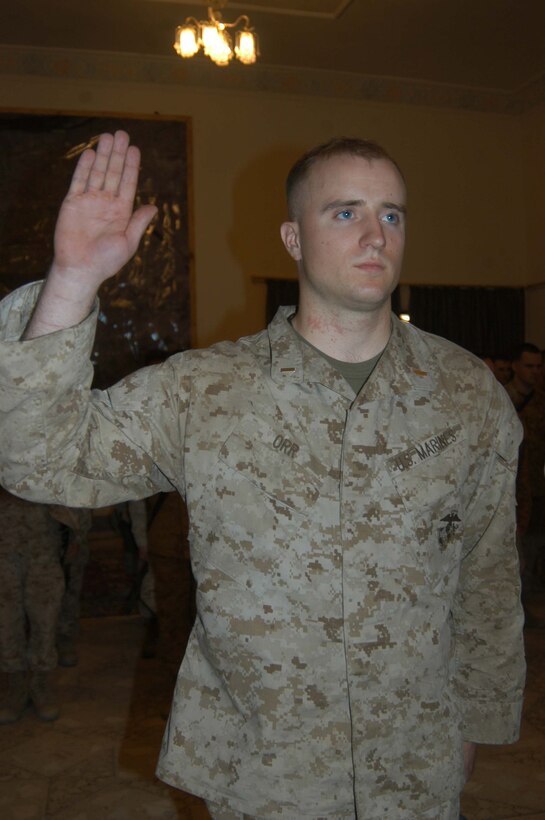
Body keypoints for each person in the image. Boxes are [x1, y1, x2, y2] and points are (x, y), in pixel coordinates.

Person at [0, 131, 525, 818]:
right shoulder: (204, 390)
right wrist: (73, 279)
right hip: (264, 776)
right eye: (345, 212)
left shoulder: (464, 391)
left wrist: (475, 725)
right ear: (292, 238)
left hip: (413, 765)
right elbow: (38, 459)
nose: (375, 234)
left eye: (391, 214)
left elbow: (486, 570)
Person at [0, 490, 86, 722]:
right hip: (3, 542)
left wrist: (76, 532)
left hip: (43, 540)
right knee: (6, 620)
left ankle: (41, 683)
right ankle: (14, 684)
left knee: (45, 618)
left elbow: (67, 481)